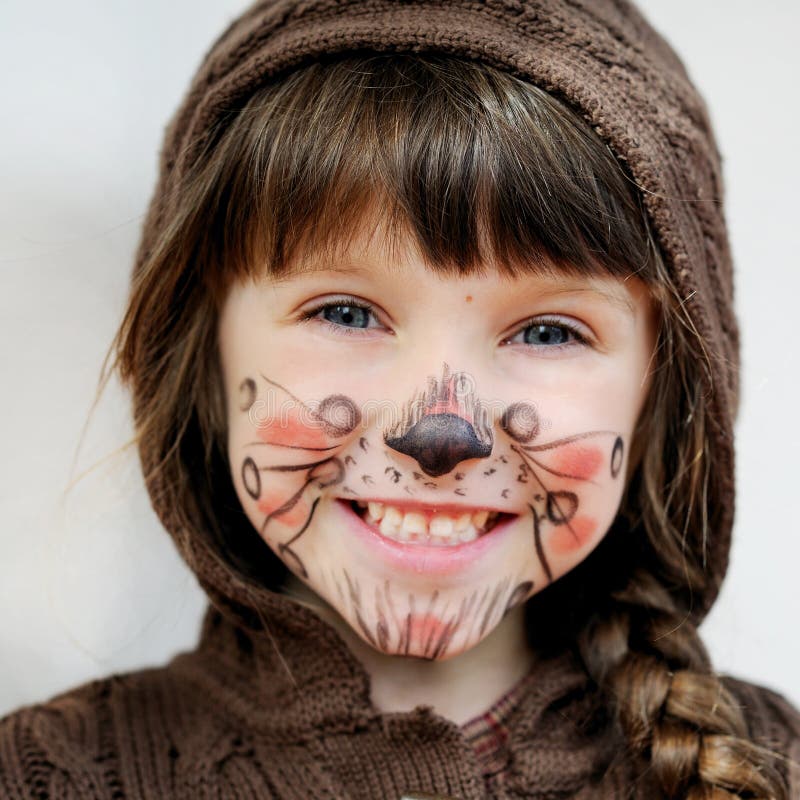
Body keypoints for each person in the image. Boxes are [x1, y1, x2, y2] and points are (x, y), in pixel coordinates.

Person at [1, 1, 798, 798]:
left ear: (660, 388)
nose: (440, 433)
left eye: (549, 332)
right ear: (202, 352)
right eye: (344, 313)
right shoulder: (47, 777)